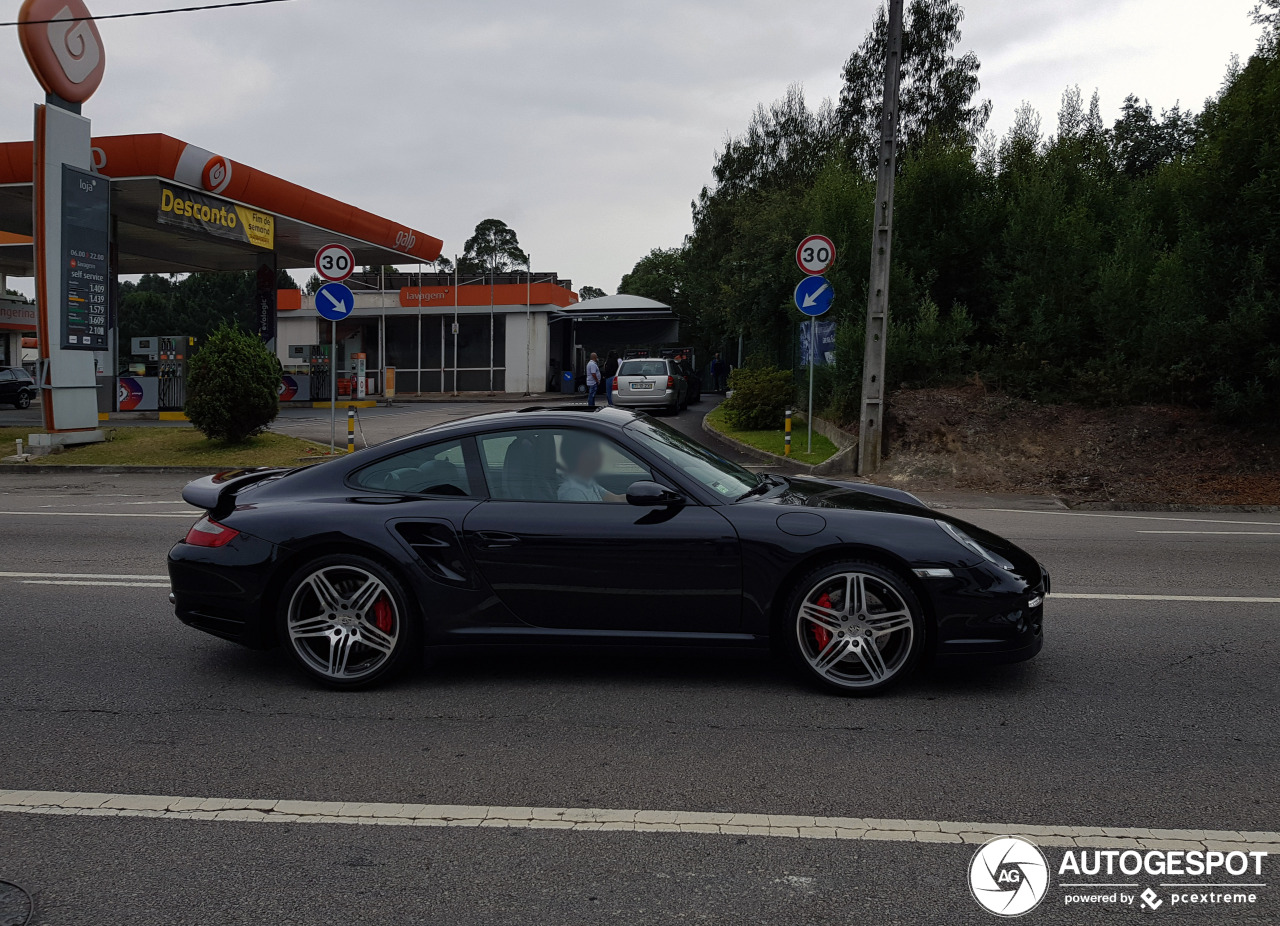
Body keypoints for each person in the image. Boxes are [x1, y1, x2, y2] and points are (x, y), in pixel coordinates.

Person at [557, 432, 625, 502]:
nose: (601, 454)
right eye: (595, 450)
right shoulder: (573, 492)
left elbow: (616, 499)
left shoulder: (587, 482)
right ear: (582, 457)